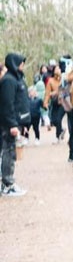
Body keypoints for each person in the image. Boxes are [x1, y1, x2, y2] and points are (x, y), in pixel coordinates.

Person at [0, 53, 29, 196]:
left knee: (11, 153)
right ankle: (7, 184)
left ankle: (8, 182)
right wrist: (12, 124)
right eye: (21, 63)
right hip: (8, 124)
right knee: (8, 152)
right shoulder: (8, 81)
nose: (22, 66)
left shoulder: (16, 79)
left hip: (16, 122)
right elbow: (7, 104)